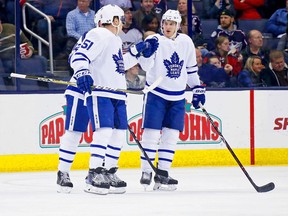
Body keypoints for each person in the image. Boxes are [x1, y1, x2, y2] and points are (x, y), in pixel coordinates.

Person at [56, 4, 159, 195]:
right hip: (82, 90)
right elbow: (78, 55)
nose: (123, 23)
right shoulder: (98, 34)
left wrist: (138, 51)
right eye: (121, 19)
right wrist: (82, 71)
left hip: (106, 90)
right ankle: (64, 172)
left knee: (115, 133)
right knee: (75, 132)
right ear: (114, 20)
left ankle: (108, 171)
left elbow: (117, 66)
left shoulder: (114, 40)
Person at [136, 9, 206, 191]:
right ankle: (146, 171)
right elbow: (144, 66)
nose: (168, 26)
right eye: (166, 23)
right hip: (156, 94)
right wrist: (146, 53)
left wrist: (197, 88)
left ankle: (163, 174)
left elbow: (190, 69)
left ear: (178, 26)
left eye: (172, 24)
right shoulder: (154, 40)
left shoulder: (186, 42)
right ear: (162, 24)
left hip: (177, 96)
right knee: (151, 134)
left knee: (171, 136)